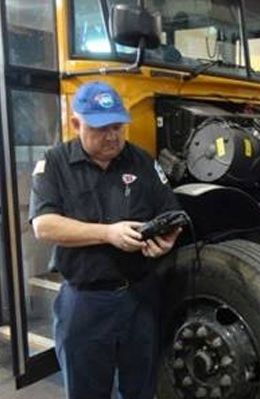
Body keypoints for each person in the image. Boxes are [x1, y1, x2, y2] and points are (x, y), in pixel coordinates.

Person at [29, 81, 182, 399]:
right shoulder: (55, 163)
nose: (112, 136)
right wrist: (108, 233)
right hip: (86, 303)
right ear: (76, 124)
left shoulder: (141, 161)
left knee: (141, 389)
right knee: (87, 391)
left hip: (139, 299)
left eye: (117, 126)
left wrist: (167, 238)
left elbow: (171, 211)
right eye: (101, 128)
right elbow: (44, 226)